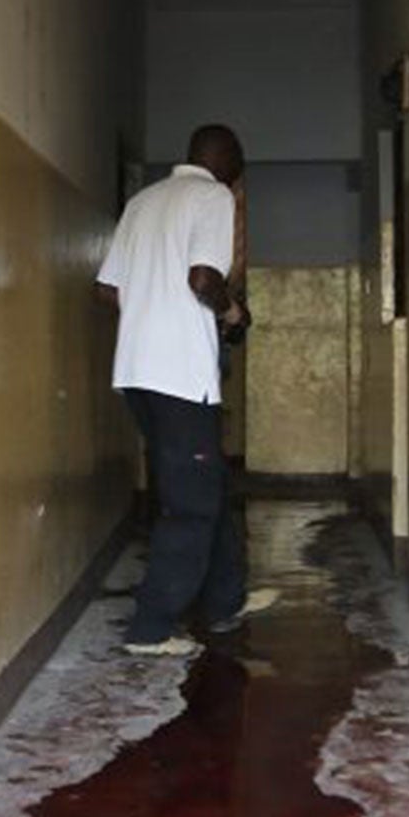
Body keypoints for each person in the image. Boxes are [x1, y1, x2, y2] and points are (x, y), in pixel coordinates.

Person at [96, 124, 278, 655]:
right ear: (227, 162)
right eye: (239, 165)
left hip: (136, 371)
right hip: (179, 374)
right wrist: (232, 311)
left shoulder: (143, 201)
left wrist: (151, 309)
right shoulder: (213, 196)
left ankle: (225, 600)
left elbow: (107, 290)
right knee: (192, 505)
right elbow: (204, 280)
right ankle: (150, 629)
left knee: (206, 482)